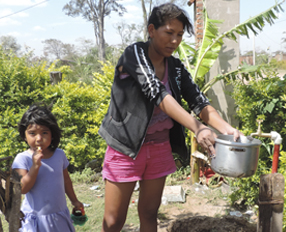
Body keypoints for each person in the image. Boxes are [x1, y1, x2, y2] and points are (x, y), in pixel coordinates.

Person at [98, 3, 242, 232]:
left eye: (179, 35)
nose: (174, 40)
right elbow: (157, 93)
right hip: (125, 147)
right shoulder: (134, 54)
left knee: (149, 214)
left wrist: (227, 130)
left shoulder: (175, 67)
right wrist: (198, 128)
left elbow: (199, 102)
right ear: (152, 30)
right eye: (169, 33)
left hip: (159, 147)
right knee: (113, 221)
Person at [12, 103, 84, 232]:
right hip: (36, 220)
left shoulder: (59, 155)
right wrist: (35, 167)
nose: (39, 139)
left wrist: (75, 201)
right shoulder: (22, 159)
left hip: (59, 216)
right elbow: (22, 189)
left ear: (52, 134)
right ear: (24, 135)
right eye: (32, 133)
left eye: (44, 132)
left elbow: (66, 180)